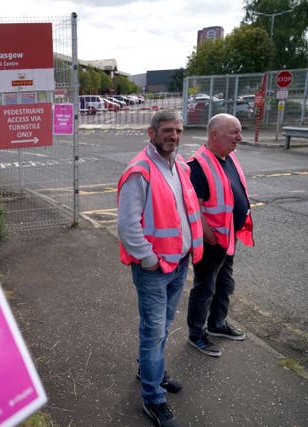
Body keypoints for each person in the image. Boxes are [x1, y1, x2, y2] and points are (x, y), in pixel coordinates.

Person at [117, 110, 203, 427]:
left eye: (178, 131)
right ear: (151, 133)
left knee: (164, 325)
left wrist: (188, 250)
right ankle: (153, 399)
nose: (174, 136)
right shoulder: (140, 170)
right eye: (167, 131)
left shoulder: (178, 164)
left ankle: (149, 370)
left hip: (178, 263)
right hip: (155, 268)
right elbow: (127, 226)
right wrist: (149, 259)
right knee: (153, 333)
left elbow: (183, 210)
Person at [186, 113, 254, 357]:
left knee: (225, 284)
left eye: (240, 131)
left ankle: (217, 324)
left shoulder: (229, 157)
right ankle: (196, 333)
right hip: (212, 241)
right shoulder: (197, 165)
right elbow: (194, 207)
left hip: (228, 238)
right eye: (234, 132)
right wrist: (209, 237)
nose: (240, 137)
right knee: (205, 288)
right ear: (214, 135)